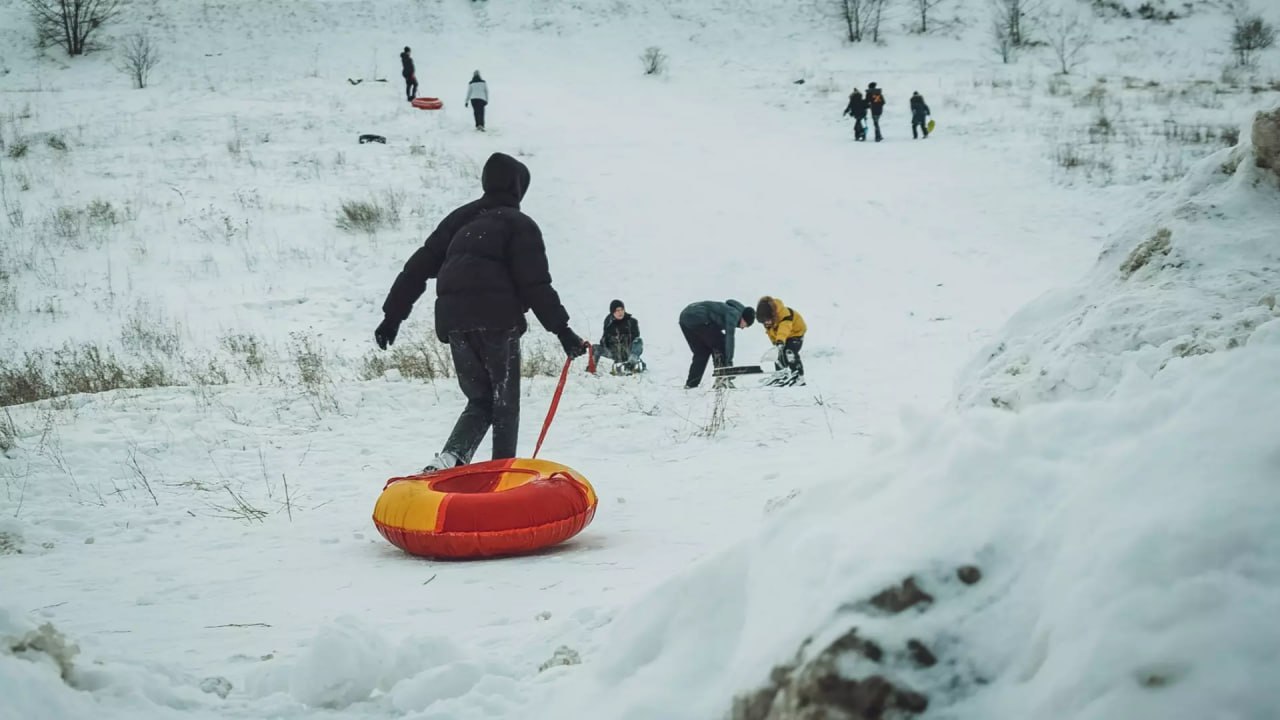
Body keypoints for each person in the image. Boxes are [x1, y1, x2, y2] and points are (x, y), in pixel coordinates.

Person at [375, 152, 588, 472]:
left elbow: (416, 268)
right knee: (504, 404)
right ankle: (501, 478)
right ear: (518, 188)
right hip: (497, 321)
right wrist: (563, 331)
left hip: (455, 323)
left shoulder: (459, 219)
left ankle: (449, 459)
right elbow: (535, 284)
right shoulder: (519, 224)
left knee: (481, 400)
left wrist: (392, 317)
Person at [678, 300, 755, 389]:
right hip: (698, 318)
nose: (742, 328)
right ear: (744, 319)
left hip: (685, 318)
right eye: (745, 325)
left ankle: (691, 384)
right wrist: (729, 364)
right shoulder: (734, 314)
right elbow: (729, 338)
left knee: (702, 352)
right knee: (721, 343)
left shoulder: (728, 310)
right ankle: (722, 379)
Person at [755, 296, 807, 386]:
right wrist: (776, 344)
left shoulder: (784, 315)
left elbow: (784, 329)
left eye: (767, 321)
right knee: (779, 354)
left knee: (789, 352)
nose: (766, 323)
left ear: (772, 315)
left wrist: (779, 341)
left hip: (795, 334)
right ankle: (781, 374)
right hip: (782, 338)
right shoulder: (768, 320)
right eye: (764, 322)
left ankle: (799, 376)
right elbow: (772, 334)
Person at [594, 299, 645, 374]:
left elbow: (635, 337)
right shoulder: (609, 323)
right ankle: (591, 369)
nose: (620, 312)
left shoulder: (632, 322)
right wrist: (609, 339)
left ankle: (632, 363)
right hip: (614, 352)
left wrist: (624, 338)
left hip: (628, 351)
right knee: (595, 348)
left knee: (638, 340)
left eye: (622, 310)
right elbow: (604, 341)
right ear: (613, 312)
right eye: (617, 310)